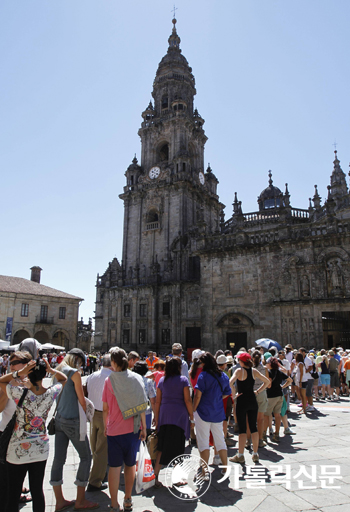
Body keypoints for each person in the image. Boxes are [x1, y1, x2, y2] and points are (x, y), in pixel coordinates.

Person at [0, 356, 67, 512]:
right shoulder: (50, 393)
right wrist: (51, 370)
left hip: (17, 450)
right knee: (37, 491)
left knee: (13, 492)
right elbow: (63, 379)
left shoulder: (18, 394)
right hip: (40, 448)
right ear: (44, 376)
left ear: (28, 375)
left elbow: (2, 381)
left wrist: (19, 373)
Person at [50, 348, 98, 511]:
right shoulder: (74, 373)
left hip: (59, 420)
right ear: (77, 359)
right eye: (81, 361)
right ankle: (80, 499)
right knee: (86, 457)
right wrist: (87, 413)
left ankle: (59, 500)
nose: (82, 365)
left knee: (58, 459)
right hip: (73, 421)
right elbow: (81, 400)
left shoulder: (57, 371)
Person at [102, 348, 147, 512]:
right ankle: (128, 499)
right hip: (133, 429)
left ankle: (114, 504)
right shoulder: (136, 378)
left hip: (114, 430)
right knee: (130, 465)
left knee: (114, 468)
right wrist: (144, 427)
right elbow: (142, 404)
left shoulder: (109, 381)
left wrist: (105, 426)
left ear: (113, 362)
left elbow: (105, 408)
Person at [0, 351, 33, 510]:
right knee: (5, 477)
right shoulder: (6, 384)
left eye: (16, 362)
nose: (12, 366)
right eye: (11, 363)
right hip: (6, 435)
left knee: (20, 471)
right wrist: (8, 388)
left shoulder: (32, 383)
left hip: (24, 436)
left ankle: (17, 491)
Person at [154, 357, 194, 487]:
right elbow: (187, 400)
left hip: (165, 415)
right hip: (179, 416)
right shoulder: (183, 380)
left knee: (161, 447)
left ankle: (155, 477)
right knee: (178, 447)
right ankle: (176, 479)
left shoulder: (162, 380)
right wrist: (192, 416)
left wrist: (156, 417)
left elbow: (158, 401)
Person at [193, 352, 231, 477]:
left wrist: (193, 408)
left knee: (203, 441)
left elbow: (198, 395)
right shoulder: (223, 376)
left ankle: (204, 471)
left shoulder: (203, 376)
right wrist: (217, 399)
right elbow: (227, 393)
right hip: (218, 412)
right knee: (220, 439)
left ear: (205, 363)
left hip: (203, 412)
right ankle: (225, 468)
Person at [230, 352, 270, 463]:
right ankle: (256, 453)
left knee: (242, 429)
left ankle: (241, 455)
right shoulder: (254, 371)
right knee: (253, 427)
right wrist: (257, 391)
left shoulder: (239, 371)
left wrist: (234, 394)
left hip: (242, 401)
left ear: (242, 361)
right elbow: (267, 381)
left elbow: (230, 382)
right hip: (252, 400)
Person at [85, 354, 112, 492]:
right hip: (105, 416)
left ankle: (98, 471)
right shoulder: (113, 377)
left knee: (95, 446)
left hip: (93, 414)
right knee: (102, 449)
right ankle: (95, 481)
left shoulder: (92, 376)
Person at [264, 357, 292, 442]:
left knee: (267, 415)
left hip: (271, 396)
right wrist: (283, 386)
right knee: (277, 415)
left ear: (270, 364)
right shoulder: (279, 372)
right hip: (279, 395)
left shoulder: (268, 373)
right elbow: (290, 380)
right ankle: (277, 434)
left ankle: (264, 434)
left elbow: (268, 384)